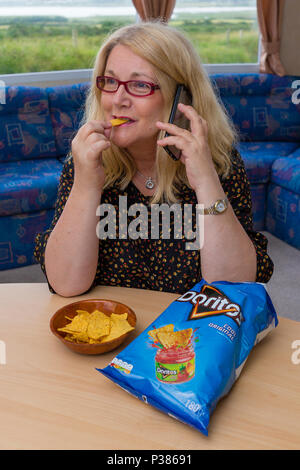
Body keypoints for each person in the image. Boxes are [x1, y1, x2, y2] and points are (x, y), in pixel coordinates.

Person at [34, 21, 273, 297]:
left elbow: (232, 287)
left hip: (189, 335)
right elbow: (65, 284)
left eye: (139, 85)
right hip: (111, 333)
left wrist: (207, 183)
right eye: (110, 81)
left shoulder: (218, 163)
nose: (117, 100)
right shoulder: (88, 161)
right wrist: (87, 184)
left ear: (180, 98)